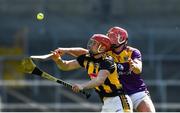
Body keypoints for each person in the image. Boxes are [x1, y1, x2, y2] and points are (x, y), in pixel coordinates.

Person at [53, 27, 156, 112]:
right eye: (109, 35)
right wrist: (66, 50)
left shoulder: (132, 52)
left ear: (122, 39)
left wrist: (134, 66)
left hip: (136, 91)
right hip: (117, 94)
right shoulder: (105, 51)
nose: (110, 38)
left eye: (114, 36)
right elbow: (85, 52)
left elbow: (138, 69)